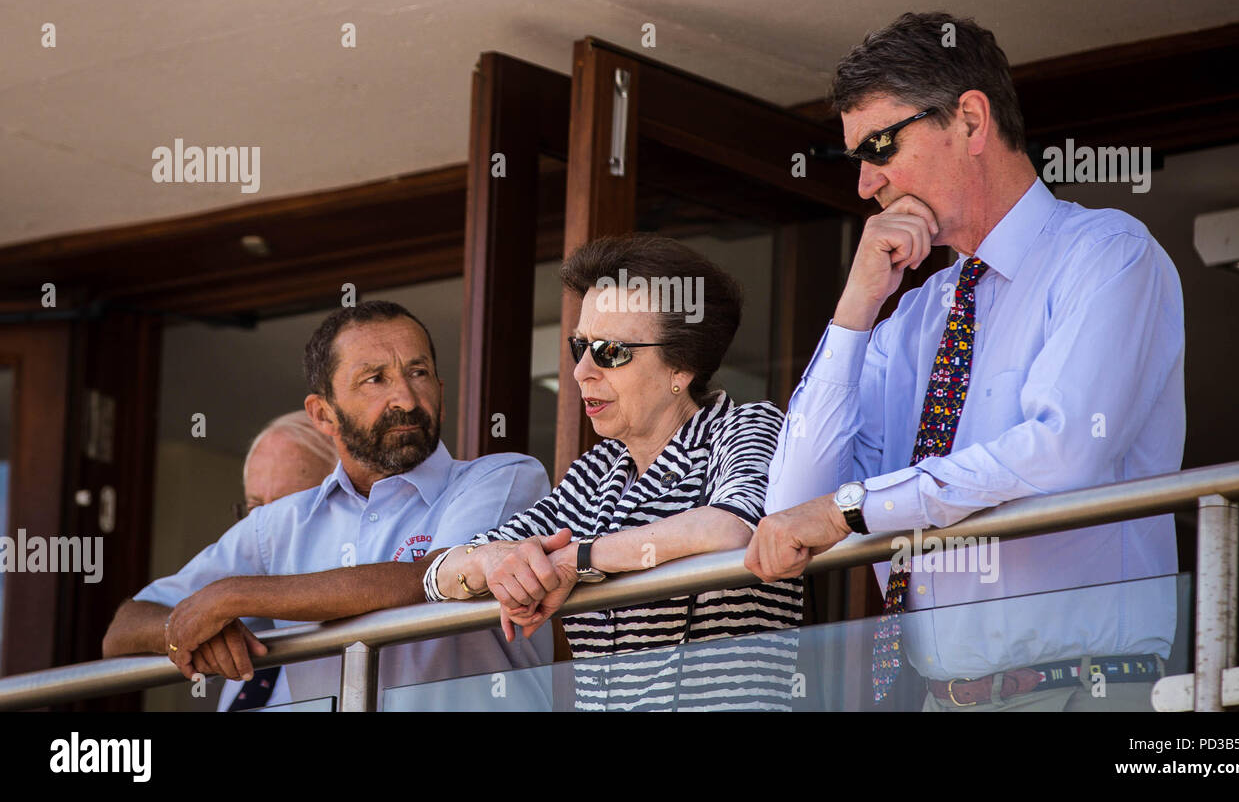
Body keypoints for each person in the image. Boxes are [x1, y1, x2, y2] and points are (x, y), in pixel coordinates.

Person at [746, 11, 1183, 711]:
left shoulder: (1106, 253)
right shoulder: (913, 317)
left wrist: (855, 508)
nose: (865, 186)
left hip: (1086, 687)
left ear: (971, 121)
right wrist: (856, 305)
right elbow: (795, 506)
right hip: (940, 698)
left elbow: (1061, 456)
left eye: (880, 146)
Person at [160, 236, 803, 711]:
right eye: (579, 348)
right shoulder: (599, 470)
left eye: (609, 352)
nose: (581, 373)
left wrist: (571, 561)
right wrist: (491, 565)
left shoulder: (744, 425)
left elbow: (730, 531)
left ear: (681, 365)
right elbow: (462, 565)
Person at [103, 301, 553, 708]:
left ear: (439, 386)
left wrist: (229, 596)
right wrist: (185, 629)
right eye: (375, 379)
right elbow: (122, 630)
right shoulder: (282, 523)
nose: (407, 398)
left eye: (418, 373)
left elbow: (438, 576)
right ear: (323, 414)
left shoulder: (502, 477)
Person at [218, 410, 337, 711]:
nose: (263, 531)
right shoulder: (243, 625)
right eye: (255, 508)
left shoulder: (365, 640)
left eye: (286, 509)